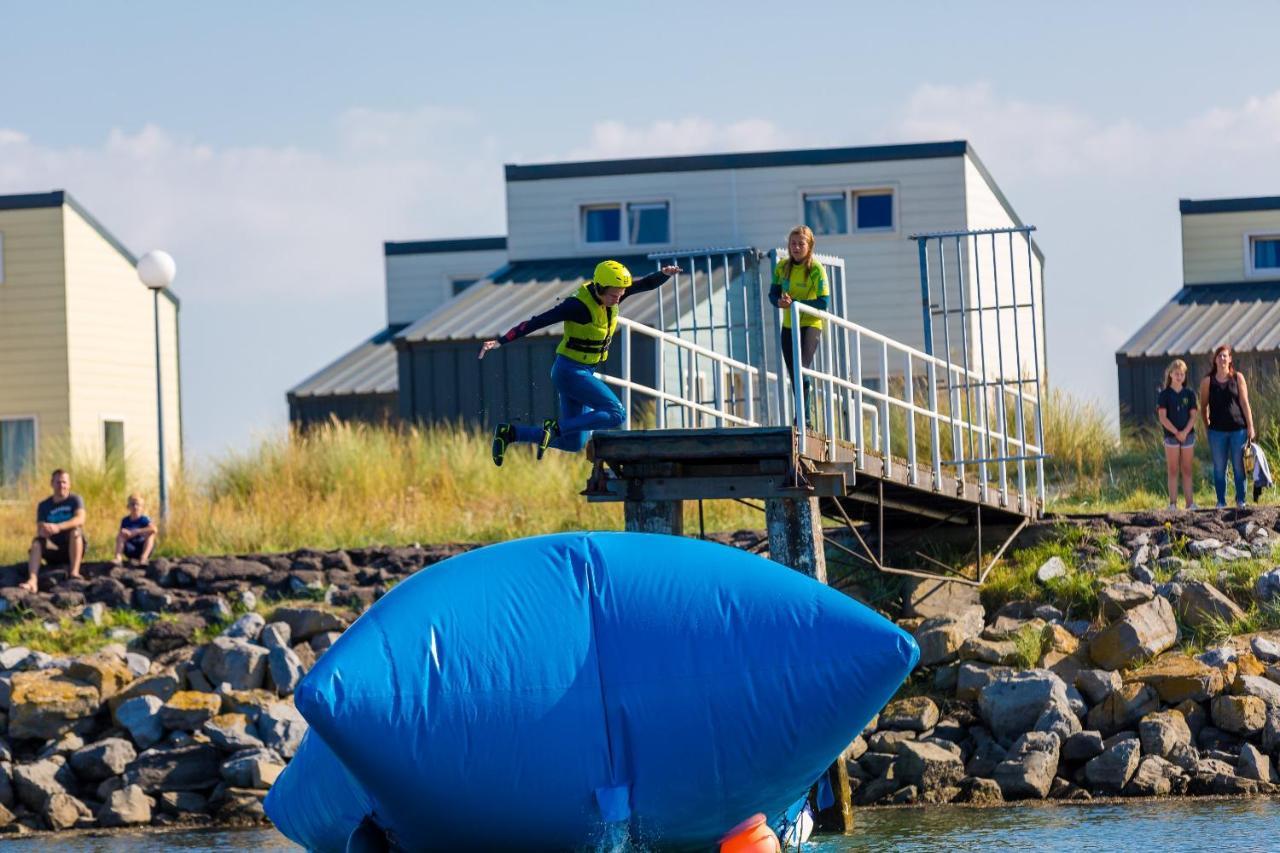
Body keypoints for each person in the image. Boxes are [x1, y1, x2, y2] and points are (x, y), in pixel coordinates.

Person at [479, 259, 681, 466]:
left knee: (573, 443)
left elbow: (643, 285)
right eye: (614, 295)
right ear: (600, 287)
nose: (618, 299)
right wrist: (501, 341)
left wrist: (663, 274)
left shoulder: (613, 294)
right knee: (615, 413)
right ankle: (555, 427)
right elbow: (537, 322)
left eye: (621, 294)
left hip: (582, 371)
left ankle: (511, 433)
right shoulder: (577, 306)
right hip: (570, 372)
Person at [769, 226, 829, 421]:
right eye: (793, 244)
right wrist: (779, 302)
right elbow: (773, 294)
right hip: (789, 327)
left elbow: (823, 302)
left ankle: (803, 418)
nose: (796, 247)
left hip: (810, 324)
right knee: (794, 373)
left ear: (809, 246)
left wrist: (795, 304)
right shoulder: (782, 267)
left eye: (801, 244)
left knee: (801, 367)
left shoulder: (816, 269)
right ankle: (802, 414)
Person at [1198, 345, 1256, 509]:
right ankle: (1221, 502)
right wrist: (1206, 424)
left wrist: (1250, 426)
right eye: (1219, 356)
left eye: (1225, 356)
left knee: (1239, 467)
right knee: (1219, 468)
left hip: (1239, 429)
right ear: (1215, 360)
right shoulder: (1207, 381)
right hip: (1217, 431)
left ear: (1230, 359)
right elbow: (1203, 406)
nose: (1222, 359)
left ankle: (1241, 500)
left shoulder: (1238, 378)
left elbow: (1245, 403)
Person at [24, 469, 87, 591]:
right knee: (37, 542)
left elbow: (80, 519)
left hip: (72, 545)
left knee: (76, 532)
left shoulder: (75, 500)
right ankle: (32, 580)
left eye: (64, 482)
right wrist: (46, 529)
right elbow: (40, 527)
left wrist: (58, 527)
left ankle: (74, 572)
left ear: (69, 484)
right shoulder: (44, 505)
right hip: (53, 547)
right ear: (52, 484)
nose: (61, 486)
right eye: (58, 482)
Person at [1155, 358, 1197, 511]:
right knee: (1173, 469)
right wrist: (1176, 432)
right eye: (1177, 373)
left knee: (1187, 469)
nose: (1179, 376)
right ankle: (1172, 504)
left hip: (1188, 436)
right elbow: (1162, 418)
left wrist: (1185, 432)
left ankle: (1190, 503)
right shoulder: (1164, 394)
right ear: (1170, 374)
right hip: (1171, 437)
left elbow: (1193, 416)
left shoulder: (1189, 393)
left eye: (1182, 374)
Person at [113, 493, 158, 566]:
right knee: (120, 536)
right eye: (132, 504)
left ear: (142, 507)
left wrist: (137, 531)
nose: (135, 507)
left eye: (137, 504)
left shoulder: (144, 519)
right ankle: (118, 558)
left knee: (151, 535)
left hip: (142, 547)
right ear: (128, 507)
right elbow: (122, 533)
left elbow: (154, 529)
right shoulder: (125, 520)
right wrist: (127, 533)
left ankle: (144, 558)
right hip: (131, 548)